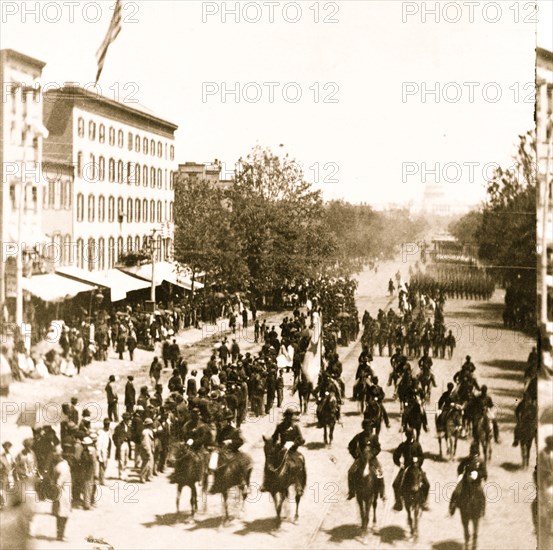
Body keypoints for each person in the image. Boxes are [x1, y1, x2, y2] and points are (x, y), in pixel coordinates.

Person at [263, 408, 306, 491]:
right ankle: (266, 482)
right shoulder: (280, 426)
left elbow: (301, 440)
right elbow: (274, 437)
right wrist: (269, 440)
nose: (290, 418)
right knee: (270, 460)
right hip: (282, 448)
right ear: (285, 417)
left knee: (301, 459)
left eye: (291, 416)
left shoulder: (295, 427)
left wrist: (293, 443)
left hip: (292, 450)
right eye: (288, 416)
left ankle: (300, 484)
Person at [392, 428, 430, 511]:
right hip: (406, 467)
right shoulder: (403, 445)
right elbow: (396, 455)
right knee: (395, 484)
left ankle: (424, 501)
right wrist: (399, 464)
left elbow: (422, 456)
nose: (409, 437)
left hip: (416, 468)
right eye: (408, 435)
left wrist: (418, 461)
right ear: (406, 435)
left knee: (427, 484)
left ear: (413, 435)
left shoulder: (417, 445)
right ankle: (398, 503)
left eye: (411, 435)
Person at [347, 420, 385, 500]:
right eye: (367, 427)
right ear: (364, 427)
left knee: (379, 472)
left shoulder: (374, 437)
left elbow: (378, 448)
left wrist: (372, 454)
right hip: (361, 459)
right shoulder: (359, 436)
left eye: (370, 427)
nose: (369, 429)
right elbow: (351, 446)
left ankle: (382, 493)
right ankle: (351, 492)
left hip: (372, 459)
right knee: (351, 471)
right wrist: (355, 455)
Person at [449, 441, 487, 516]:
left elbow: (485, 474)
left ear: (478, 453)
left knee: (481, 493)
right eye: (472, 453)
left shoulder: (481, 461)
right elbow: (460, 468)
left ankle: (482, 509)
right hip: (466, 480)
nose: (473, 456)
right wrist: (460, 475)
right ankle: (452, 507)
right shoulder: (466, 459)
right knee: (457, 491)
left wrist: (478, 474)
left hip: (476, 482)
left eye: (475, 454)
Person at [51, 450, 72, 541]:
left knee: (62, 514)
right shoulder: (64, 465)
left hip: (63, 492)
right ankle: (60, 534)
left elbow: (59, 482)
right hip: (64, 492)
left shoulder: (60, 467)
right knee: (63, 514)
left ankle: (60, 534)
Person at [113, 413, 132, 480]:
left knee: (126, 459)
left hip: (127, 444)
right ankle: (121, 474)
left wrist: (128, 437)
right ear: (124, 419)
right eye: (127, 419)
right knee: (121, 460)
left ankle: (124, 472)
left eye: (128, 419)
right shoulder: (119, 427)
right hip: (121, 444)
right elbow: (114, 436)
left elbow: (130, 434)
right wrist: (118, 444)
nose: (128, 420)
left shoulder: (129, 427)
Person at [96, 418, 112, 485]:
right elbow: (99, 443)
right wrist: (98, 452)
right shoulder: (101, 432)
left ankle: (101, 478)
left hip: (107, 450)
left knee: (105, 465)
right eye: (106, 424)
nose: (107, 425)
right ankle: (101, 480)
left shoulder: (109, 431)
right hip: (102, 450)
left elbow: (110, 442)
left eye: (108, 424)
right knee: (102, 465)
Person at [140, 417, 155, 483]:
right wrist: (148, 451)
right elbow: (145, 443)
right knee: (145, 464)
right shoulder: (145, 432)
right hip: (146, 450)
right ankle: (142, 477)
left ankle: (148, 476)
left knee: (150, 464)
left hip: (150, 449)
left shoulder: (149, 431)